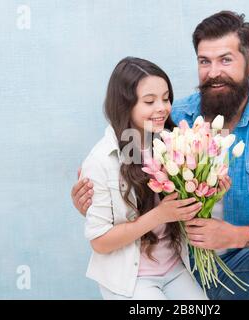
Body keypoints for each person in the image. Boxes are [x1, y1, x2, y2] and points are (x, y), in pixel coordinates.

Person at [73, 11, 249, 300]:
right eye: (204, 61)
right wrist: (93, 199)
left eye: (226, 60)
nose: (214, 72)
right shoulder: (170, 118)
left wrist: (234, 235)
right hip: (181, 269)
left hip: (244, 267)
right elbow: (120, 164)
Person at [79, 56, 232, 299]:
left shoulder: (174, 142)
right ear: (125, 105)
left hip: (174, 268)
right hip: (131, 278)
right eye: (149, 101)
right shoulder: (101, 160)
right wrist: (160, 215)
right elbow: (99, 242)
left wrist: (212, 191)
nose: (162, 108)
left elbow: (187, 211)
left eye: (166, 98)